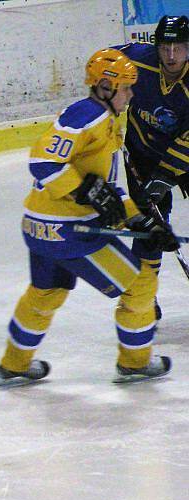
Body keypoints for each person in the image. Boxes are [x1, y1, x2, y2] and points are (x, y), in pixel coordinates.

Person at [0, 49, 175, 386]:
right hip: (69, 231)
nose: (131, 95)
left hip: (40, 226)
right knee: (139, 284)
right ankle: (135, 363)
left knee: (46, 293)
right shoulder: (86, 116)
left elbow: (104, 188)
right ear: (106, 87)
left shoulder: (103, 121)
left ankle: (14, 364)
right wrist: (84, 193)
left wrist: (137, 220)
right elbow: (43, 162)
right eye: (126, 88)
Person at [112, 15, 189, 319]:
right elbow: (101, 66)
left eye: (179, 47)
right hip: (142, 154)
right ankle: (141, 298)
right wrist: (105, 109)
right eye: (165, 47)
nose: (171, 55)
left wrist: (166, 177)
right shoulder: (136, 60)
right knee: (148, 228)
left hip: (182, 156)